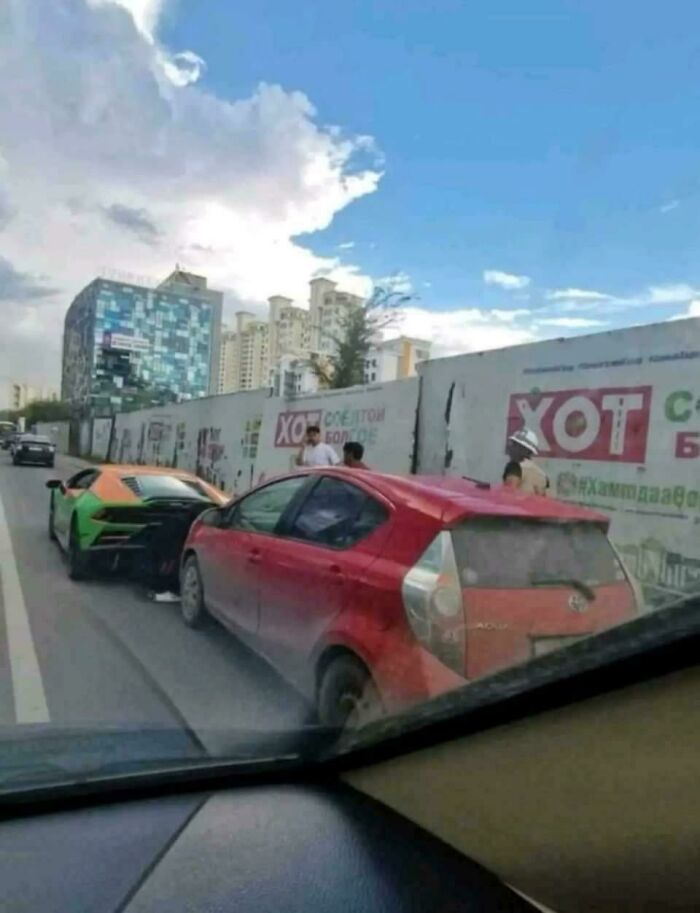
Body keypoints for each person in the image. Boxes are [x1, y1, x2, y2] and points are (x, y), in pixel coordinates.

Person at [505, 427, 549, 496]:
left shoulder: (514, 469)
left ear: (526, 451)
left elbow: (507, 496)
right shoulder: (541, 474)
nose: (510, 447)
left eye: (515, 445)